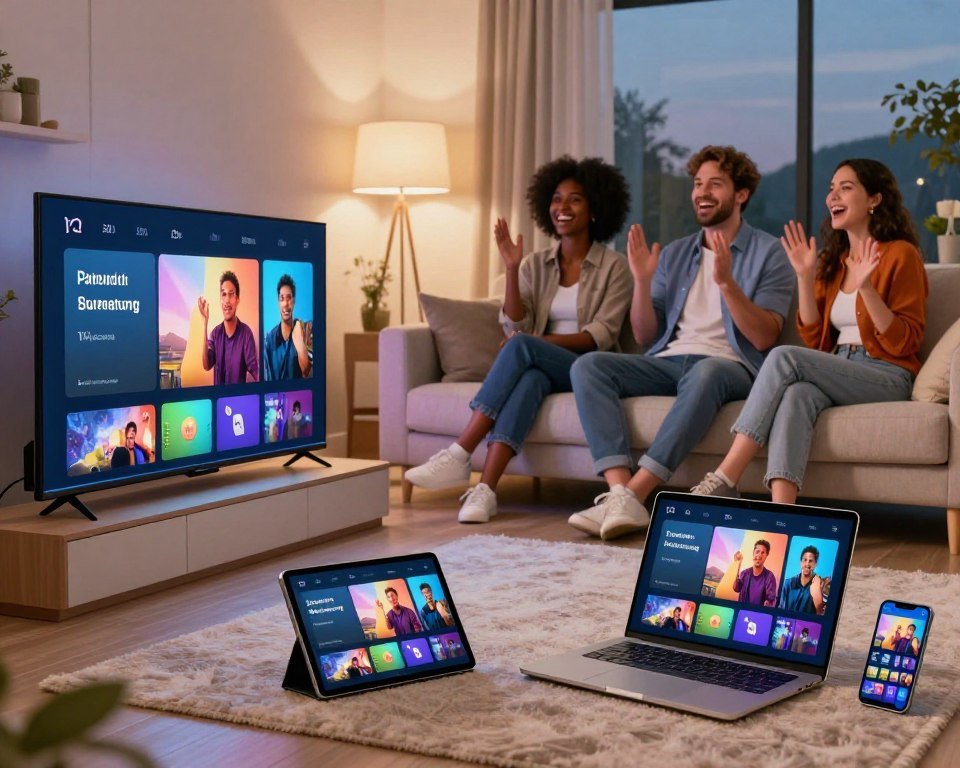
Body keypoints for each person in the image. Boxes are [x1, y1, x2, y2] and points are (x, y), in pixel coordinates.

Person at [568, 145, 794, 540]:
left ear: (741, 195)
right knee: (588, 365)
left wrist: (727, 284)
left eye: (716, 184)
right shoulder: (674, 254)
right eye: (697, 183)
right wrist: (641, 280)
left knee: (707, 370)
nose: (702, 193)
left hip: (730, 366)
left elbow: (764, 336)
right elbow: (644, 336)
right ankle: (618, 492)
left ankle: (637, 494)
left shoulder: (769, 253)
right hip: (670, 361)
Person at [404, 156, 633, 523]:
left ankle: (461, 452)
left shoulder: (614, 267)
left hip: (591, 369)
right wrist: (511, 269)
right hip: (546, 368)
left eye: (575, 199)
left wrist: (535, 342)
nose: (562, 207)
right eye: (557, 199)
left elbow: (599, 337)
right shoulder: (535, 264)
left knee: (523, 347)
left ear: (595, 208)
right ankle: (486, 490)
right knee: (530, 378)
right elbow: (513, 323)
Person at [691, 158, 927, 503]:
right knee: (797, 394)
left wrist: (867, 290)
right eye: (831, 188)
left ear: (874, 199)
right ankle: (782, 512)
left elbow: (907, 340)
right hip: (840, 366)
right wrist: (804, 275)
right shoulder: (835, 259)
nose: (833, 196)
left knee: (785, 357)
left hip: (887, 373)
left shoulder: (901, 255)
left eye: (846, 188)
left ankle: (727, 473)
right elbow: (816, 341)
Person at [199, 270, 259, 385]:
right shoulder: (215, 334)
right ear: (220, 300)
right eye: (224, 294)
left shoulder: (246, 334)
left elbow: (256, 371)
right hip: (218, 400)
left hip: (238, 400)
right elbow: (206, 365)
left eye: (231, 294)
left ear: (237, 300)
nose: (227, 300)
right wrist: (204, 323)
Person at [262, 274, 311, 380]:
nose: (285, 304)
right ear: (278, 302)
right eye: (282, 299)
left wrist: (300, 344)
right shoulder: (269, 340)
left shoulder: (305, 330)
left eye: (289, 298)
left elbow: (308, 373)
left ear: (294, 301)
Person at [778, 545, 829, 615]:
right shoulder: (788, 583)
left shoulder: (821, 585)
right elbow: (781, 609)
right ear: (801, 562)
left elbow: (824, 614)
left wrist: (817, 596)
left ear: (815, 564)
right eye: (805, 560)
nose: (807, 563)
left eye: (810, 561)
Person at [730, 539, 778, 607]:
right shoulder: (744, 573)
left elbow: (770, 600)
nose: (759, 555)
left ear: (766, 556)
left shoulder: (769, 577)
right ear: (753, 553)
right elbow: (736, 588)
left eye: (763, 552)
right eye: (757, 551)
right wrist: (738, 564)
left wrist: (768, 604)